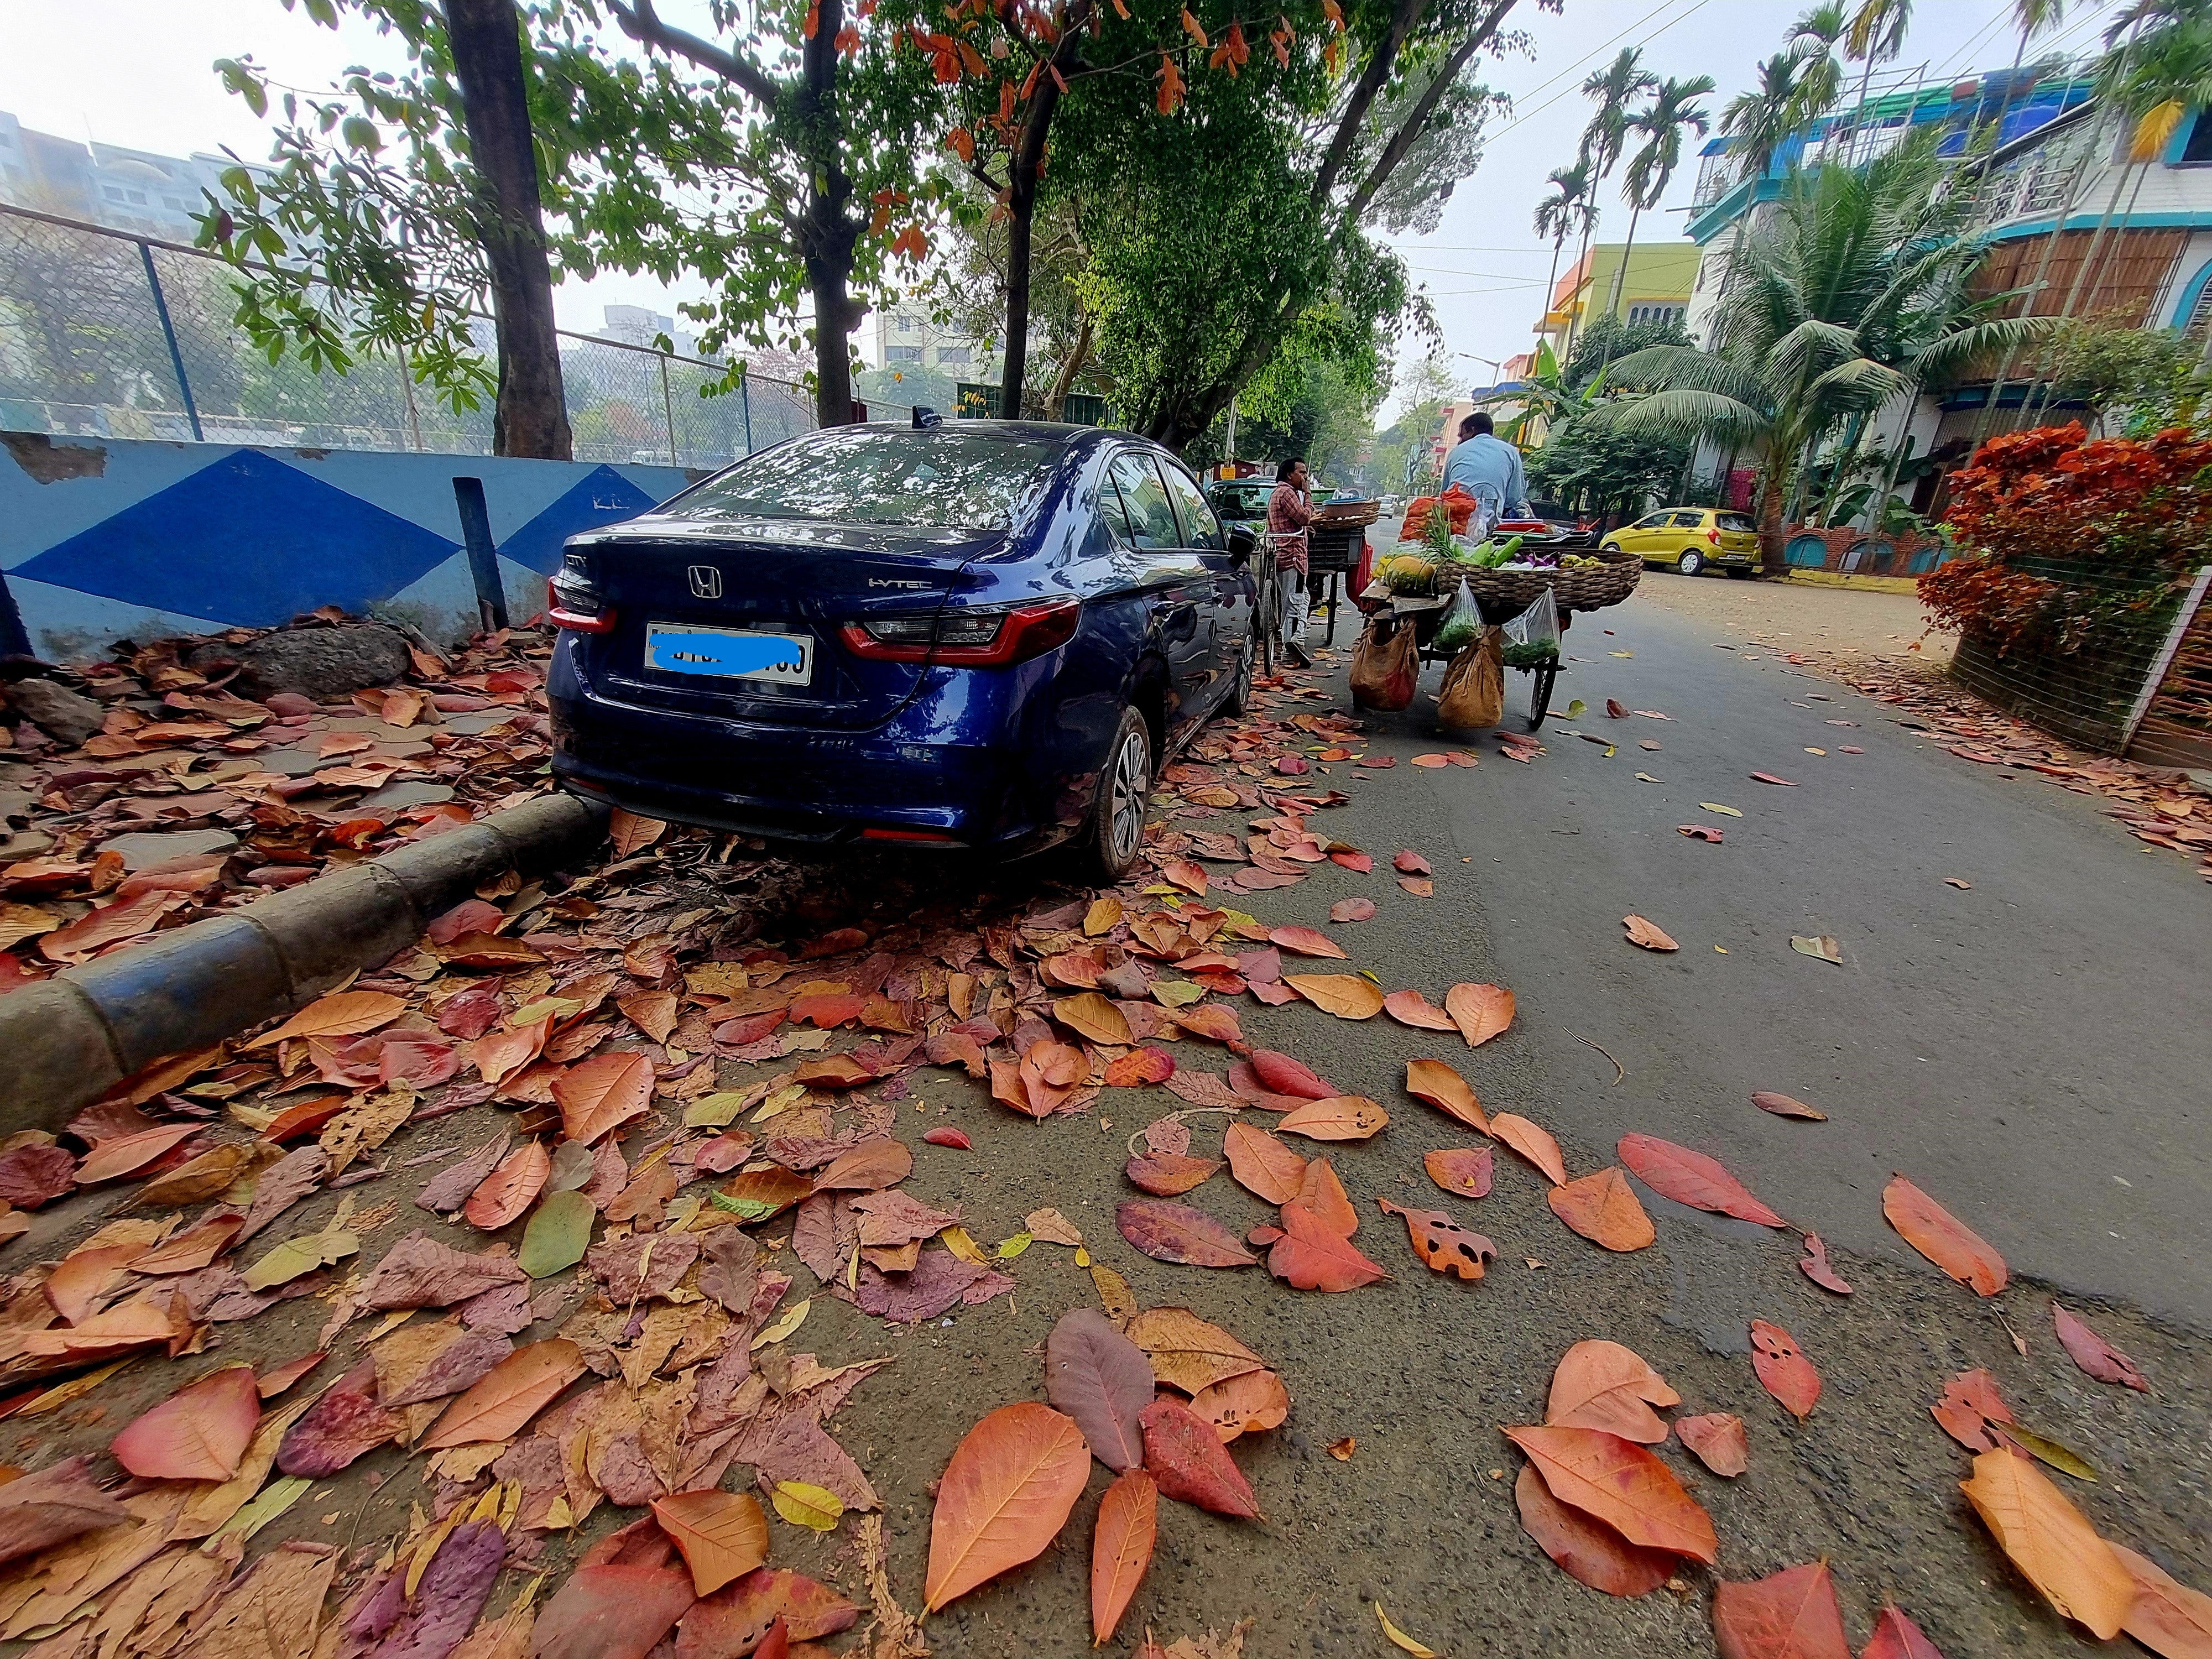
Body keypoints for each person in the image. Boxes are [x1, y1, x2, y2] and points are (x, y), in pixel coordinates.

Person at [1441, 411, 1530, 533]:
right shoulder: (1511, 452)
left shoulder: (1456, 451)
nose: (1460, 441)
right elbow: (1514, 498)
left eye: (1462, 435)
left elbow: (1445, 494)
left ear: (1472, 430)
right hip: (1490, 525)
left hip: (1453, 522)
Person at [1266, 456, 1316, 668]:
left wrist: (1306, 529)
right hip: (1292, 556)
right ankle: (1291, 646)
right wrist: (1308, 494)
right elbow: (1304, 517)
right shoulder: (1287, 492)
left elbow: (1294, 523)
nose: (1305, 478)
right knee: (1295, 601)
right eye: (1302, 473)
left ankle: (1295, 642)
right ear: (1290, 474)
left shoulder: (1281, 492)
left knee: (1299, 599)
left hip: (1286, 554)